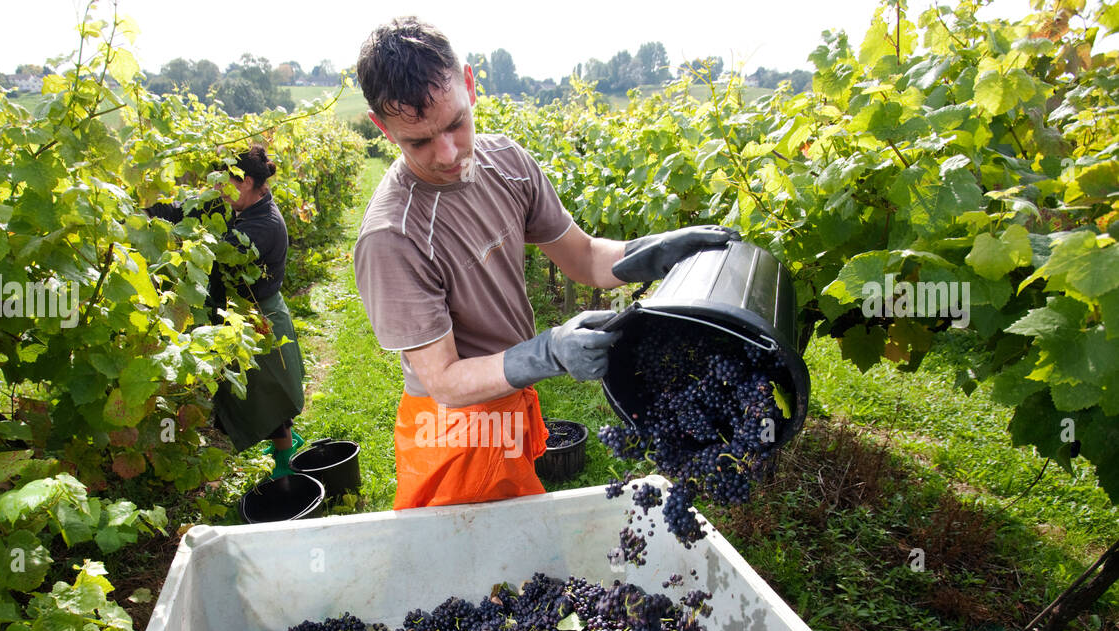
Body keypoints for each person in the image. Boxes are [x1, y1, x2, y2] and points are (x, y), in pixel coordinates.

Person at [353, 17, 738, 510]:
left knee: (516, 561)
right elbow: (444, 381)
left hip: (511, 398)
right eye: (419, 142)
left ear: (469, 85)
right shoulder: (393, 236)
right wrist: (550, 353)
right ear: (383, 128)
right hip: (452, 430)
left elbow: (583, 258)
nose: (448, 153)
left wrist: (654, 251)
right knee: (469, 570)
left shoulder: (506, 164)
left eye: (456, 123)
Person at [147, 146, 305, 477]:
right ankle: (283, 441)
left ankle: (284, 460)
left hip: (257, 317)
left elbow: (214, 251)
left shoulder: (265, 224)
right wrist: (148, 212)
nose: (217, 189)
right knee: (258, 389)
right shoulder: (232, 205)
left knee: (265, 390)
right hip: (237, 312)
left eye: (224, 182)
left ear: (246, 182)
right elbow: (183, 212)